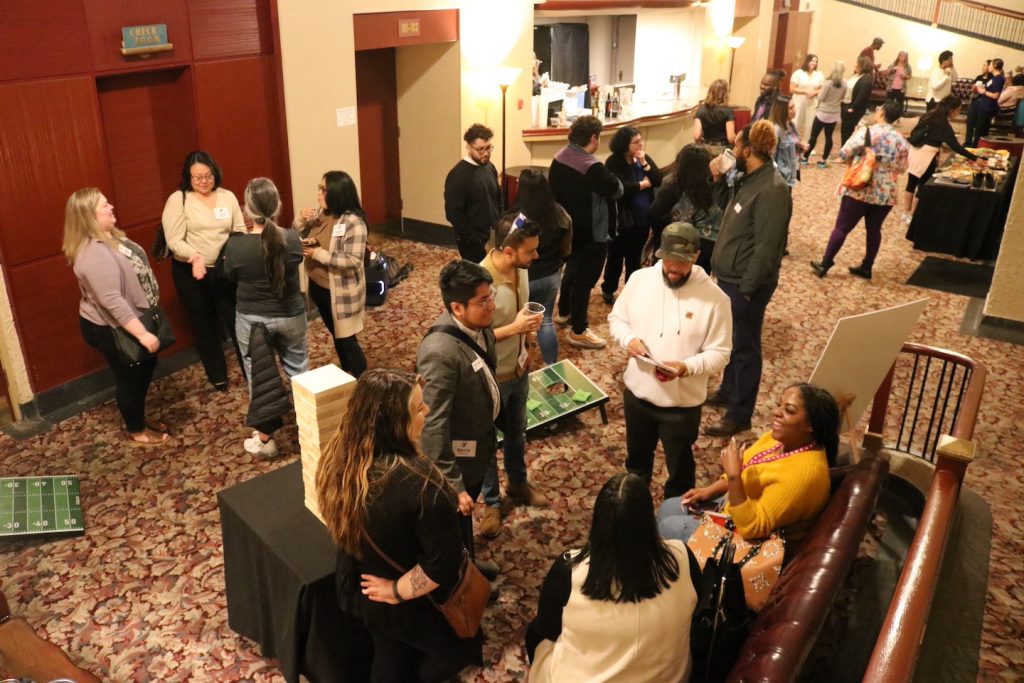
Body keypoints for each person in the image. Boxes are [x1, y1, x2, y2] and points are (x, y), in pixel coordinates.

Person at [315, 369, 482, 682]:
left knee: (389, 653)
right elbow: (442, 564)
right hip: (404, 598)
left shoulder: (338, 456)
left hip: (361, 586)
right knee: (452, 654)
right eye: (418, 408)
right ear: (394, 424)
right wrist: (396, 590)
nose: (427, 411)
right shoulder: (422, 486)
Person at [526, 473, 700, 683]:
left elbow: (549, 629)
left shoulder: (569, 570)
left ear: (597, 522)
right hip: (670, 678)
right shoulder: (682, 556)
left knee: (536, 633)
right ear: (649, 520)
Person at [608, 222, 732, 498]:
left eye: (682, 263)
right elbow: (617, 319)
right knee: (636, 464)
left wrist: (687, 367)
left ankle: (674, 517)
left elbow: (721, 352)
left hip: (681, 406)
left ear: (696, 256)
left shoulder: (716, 300)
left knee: (680, 469)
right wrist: (628, 339)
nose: (673, 269)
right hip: (638, 395)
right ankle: (634, 506)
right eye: (669, 261)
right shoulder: (639, 280)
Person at [658, 383, 839, 543]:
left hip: (749, 540)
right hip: (734, 506)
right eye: (779, 405)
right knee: (668, 508)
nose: (776, 412)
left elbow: (752, 528)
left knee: (668, 526)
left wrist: (734, 477)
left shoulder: (803, 475)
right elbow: (744, 469)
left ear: (811, 426)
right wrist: (710, 490)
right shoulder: (779, 439)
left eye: (789, 411)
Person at [705, 121, 791, 438]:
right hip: (730, 278)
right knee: (731, 342)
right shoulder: (749, 179)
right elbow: (722, 212)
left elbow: (768, 249)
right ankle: (728, 391)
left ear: (748, 150)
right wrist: (716, 179)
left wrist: (746, 290)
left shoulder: (772, 190)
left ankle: (740, 414)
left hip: (745, 284)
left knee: (746, 349)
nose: (733, 150)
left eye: (737, 145)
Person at [64, 188, 169, 446]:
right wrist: (142, 334)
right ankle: (137, 431)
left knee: (145, 368)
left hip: (131, 319)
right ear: (89, 216)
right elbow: (112, 301)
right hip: (110, 327)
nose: (111, 206)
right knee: (130, 376)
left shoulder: (108, 237)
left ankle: (139, 418)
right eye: (104, 205)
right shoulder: (93, 253)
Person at [416, 260, 501, 578]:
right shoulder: (440, 353)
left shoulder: (481, 326)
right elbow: (432, 424)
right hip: (455, 462)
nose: (492, 305)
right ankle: (462, 579)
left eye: (490, 295)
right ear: (457, 307)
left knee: (462, 523)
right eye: (483, 301)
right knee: (451, 524)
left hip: (477, 448)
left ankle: (469, 564)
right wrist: (453, 485)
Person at [222, 177, 307, 457]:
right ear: (278, 206)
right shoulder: (293, 240)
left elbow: (230, 276)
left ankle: (265, 440)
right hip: (291, 315)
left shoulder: (236, 246)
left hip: (252, 319)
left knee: (258, 376)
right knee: (299, 372)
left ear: (247, 209)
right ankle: (311, 430)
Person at [479, 213, 547, 538]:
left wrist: (529, 342)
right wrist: (515, 329)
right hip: (492, 378)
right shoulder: (481, 283)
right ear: (508, 251)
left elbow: (524, 313)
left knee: (518, 431)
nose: (536, 257)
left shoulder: (519, 270)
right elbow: (473, 338)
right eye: (530, 251)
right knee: (488, 440)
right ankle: (492, 502)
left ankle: (517, 483)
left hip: (518, 370)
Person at [161, 150, 245, 391]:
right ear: (188, 177)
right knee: (205, 324)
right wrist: (194, 256)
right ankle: (217, 374)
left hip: (224, 270)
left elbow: (238, 230)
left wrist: (231, 254)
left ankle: (250, 368)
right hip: (192, 274)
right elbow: (174, 239)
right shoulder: (179, 199)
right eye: (197, 177)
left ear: (214, 173)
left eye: (207, 176)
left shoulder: (227, 196)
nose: (203, 181)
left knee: (236, 319)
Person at [811, 100, 909, 280]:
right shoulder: (901, 140)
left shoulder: (866, 132)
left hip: (861, 186)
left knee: (842, 227)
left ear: (882, 113)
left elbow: (843, 153)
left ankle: (825, 263)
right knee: (874, 229)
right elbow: (903, 167)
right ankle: (867, 266)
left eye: (879, 108)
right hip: (886, 191)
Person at [549, 115, 623, 350]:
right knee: (585, 281)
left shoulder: (559, 158)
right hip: (593, 233)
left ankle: (564, 311)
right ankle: (579, 330)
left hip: (568, 230)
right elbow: (617, 189)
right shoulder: (592, 167)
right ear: (594, 138)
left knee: (571, 271)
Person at [294, 171, 368, 377]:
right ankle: (348, 372)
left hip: (340, 292)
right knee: (337, 334)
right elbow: (299, 234)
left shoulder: (354, 223)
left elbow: (352, 261)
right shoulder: (322, 214)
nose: (318, 194)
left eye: (323, 189)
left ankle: (363, 380)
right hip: (319, 287)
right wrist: (301, 220)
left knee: (346, 339)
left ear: (336, 194)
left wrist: (319, 254)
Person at [600, 126, 662, 304]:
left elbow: (657, 180)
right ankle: (609, 288)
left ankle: (631, 290)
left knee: (635, 258)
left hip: (642, 220)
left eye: (641, 141)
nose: (640, 144)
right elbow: (620, 188)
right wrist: (643, 184)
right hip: (622, 219)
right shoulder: (613, 162)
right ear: (624, 145)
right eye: (636, 142)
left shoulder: (643, 158)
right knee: (616, 257)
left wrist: (644, 164)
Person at [516, 170, 572, 366]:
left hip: (523, 277)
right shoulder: (560, 213)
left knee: (519, 322)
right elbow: (567, 249)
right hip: (551, 275)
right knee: (545, 320)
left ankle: (520, 364)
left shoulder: (518, 219)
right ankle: (551, 365)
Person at [648, 144, 725, 273]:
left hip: (677, 243)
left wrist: (664, 231)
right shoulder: (716, 185)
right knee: (698, 280)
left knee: (671, 278)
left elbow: (653, 214)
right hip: (708, 245)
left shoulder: (673, 186)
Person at [902, 96, 977, 221]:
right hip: (928, 157)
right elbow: (956, 147)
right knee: (922, 187)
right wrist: (975, 158)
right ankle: (913, 217)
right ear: (951, 110)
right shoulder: (943, 124)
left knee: (911, 183)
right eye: (958, 110)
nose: (958, 113)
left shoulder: (929, 115)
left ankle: (905, 213)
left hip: (915, 151)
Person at [444, 124, 501, 262]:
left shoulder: (489, 166)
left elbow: (497, 199)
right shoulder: (457, 175)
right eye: (481, 149)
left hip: (492, 234)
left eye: (488, 148)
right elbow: (454, 214)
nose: (486, 153)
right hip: (473, 241)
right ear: (469, 147)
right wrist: (475, 241)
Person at [802, 61, 847, 168]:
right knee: (829, 137)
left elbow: (821, 98)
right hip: (834, 113)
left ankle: (805, 158)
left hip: (822, 113)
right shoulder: (845, 83)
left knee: (813, 136)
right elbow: (842, 97)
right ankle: (823, 160)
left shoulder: (828, 83)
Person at [965, 58, 1006, 147]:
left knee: (980, 131)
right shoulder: (994, 78)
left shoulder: (998, 78)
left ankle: (976, 148)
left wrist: (983, 91)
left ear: (995, 66)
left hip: (988, 107)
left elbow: (995, 95)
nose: (988, 67)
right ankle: (972, 146)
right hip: (983, 105)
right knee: (978, 129)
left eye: (990, 65)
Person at [768, 95, 804, 189]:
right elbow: (770, 158)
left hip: (789, 174)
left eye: (794, 106)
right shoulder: (776, 130)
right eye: (790, 108)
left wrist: (799, 147)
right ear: (782, 111)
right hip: (781, 178)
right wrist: (778, 174)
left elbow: (791, 146)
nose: (794, 110)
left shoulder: (791, 125)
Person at [841, 55, 875, 144]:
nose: (855, 65)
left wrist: (852, 108)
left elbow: (862, 96)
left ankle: (846, 152)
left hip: (853, 108)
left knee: (848, 131)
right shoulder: (856, 75)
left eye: (857, 64)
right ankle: (844, 149)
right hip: (846, 104)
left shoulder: (866, 79)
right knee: (844, 130)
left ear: (862, 66)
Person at [790, 54, 825, 141]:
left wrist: (815, 93)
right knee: (796, 122)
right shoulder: (798, 73)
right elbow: (792, 89)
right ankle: (793, 142)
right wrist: (805, 92)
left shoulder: (819, 74)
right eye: (812, 60)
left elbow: (822, 88)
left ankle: (806, 144)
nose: (814, 63)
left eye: (816, 61)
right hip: (798, 102)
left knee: (809, 125)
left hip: (812, 103)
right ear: (807, 61)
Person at [694, 78, 736, 148]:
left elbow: (696, 136)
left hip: (706, 147)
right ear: (725, 94)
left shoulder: (701, 110)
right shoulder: (728, 111)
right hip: (722, 148)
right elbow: (730, 138)